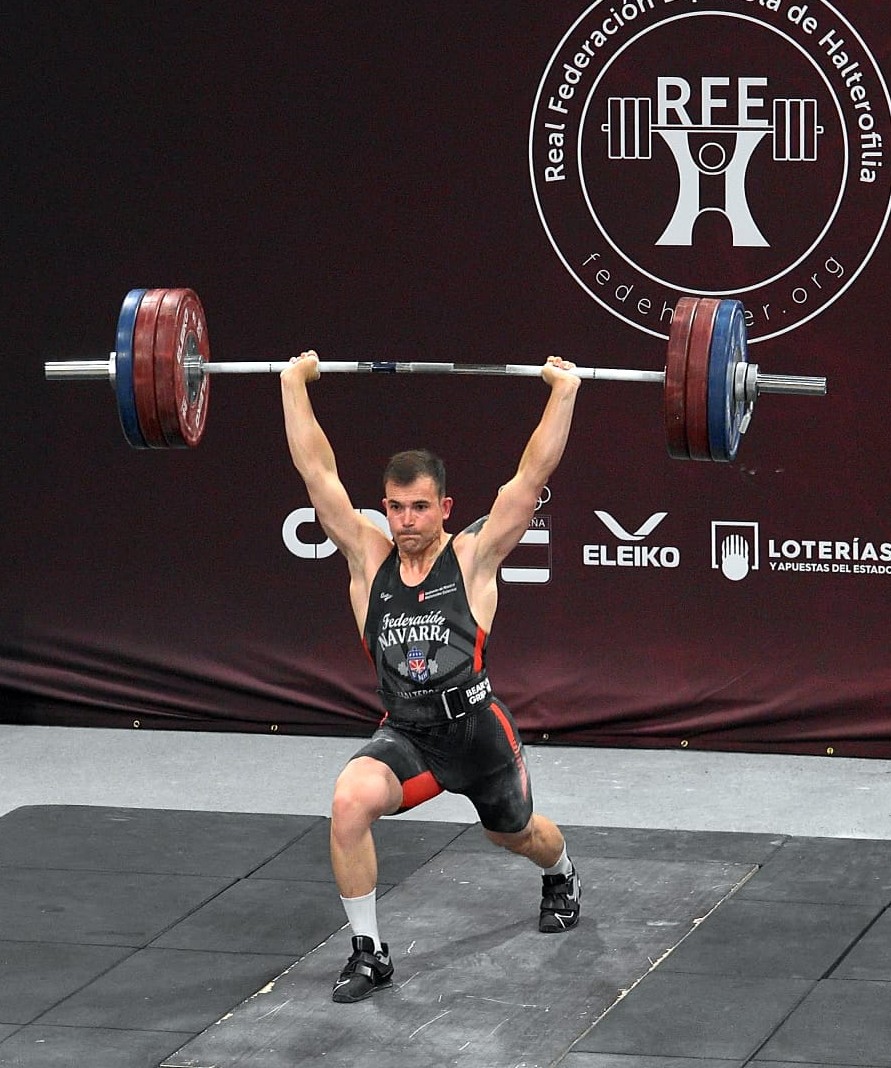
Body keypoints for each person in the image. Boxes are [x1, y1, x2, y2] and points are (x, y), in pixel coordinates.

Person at [280, 351, 582, 1003]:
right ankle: (370, 952)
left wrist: (563, 390)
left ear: (443, 506)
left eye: (419, 508)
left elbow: (530, 478)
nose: (406, 521)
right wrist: (290, 383)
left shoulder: (473, 559)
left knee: (517, 836)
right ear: (383, 508)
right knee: (347, 802)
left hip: (478, 737)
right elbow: (316, 472)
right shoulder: (368, 561)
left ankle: (561, 875)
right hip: (409, 737)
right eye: (395, 508)